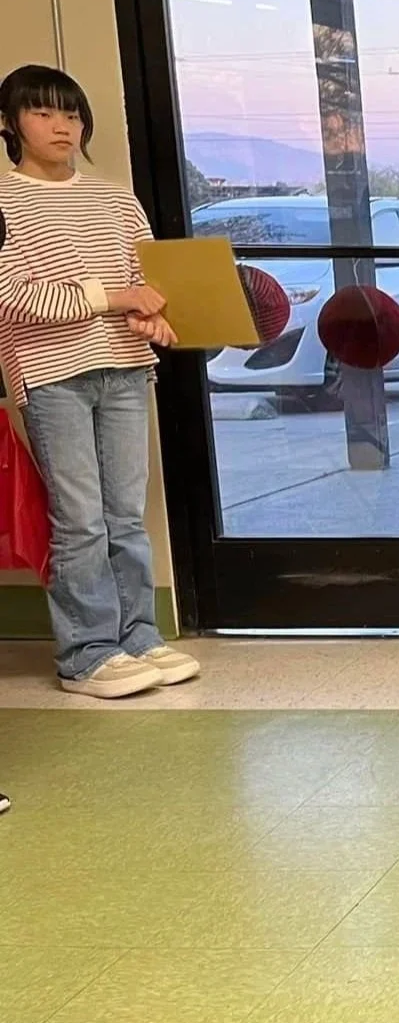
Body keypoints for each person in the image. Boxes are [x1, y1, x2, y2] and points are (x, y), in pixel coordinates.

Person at [0, 65, 196, 699]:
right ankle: (86, 654)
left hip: (126, 368)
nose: (62, 126)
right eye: (42, 112)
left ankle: (138, 636)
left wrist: (152, 315)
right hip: (51, 376)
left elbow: (147, 281)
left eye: (72, 114)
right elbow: (12, 297)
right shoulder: (4, 201)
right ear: (9, 123)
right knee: (80, 520)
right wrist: (114, 298)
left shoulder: (115, 198)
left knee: (125, 515)